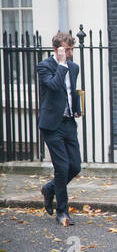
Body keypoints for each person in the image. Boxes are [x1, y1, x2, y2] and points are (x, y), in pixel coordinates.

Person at [37, 32, 82, 226]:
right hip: (52, 125)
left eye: (71, 49)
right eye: (66, 50)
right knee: (62, 168)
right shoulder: (44, 67)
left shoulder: (74, 67)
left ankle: (50, 188)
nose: (70, 54)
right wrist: (62, 64)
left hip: (68, 122)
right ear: (56, 49)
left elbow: (71, 90)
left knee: (75, 166)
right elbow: (55, 86)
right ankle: (62, 212)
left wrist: (77, 108)